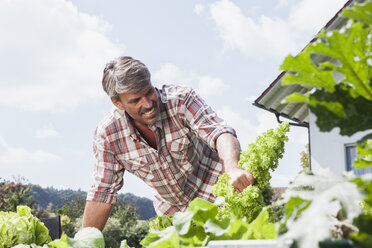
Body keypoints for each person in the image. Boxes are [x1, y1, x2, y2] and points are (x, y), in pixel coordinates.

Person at [82, 56, 254, 230]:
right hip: (172, 211)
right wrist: (84, 241)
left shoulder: (181, 99)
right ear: (117, 103)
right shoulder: (108, 135)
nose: (148, 104)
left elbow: (220, 133)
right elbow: (103, 191)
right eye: (135, 100)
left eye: (149, 92)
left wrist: (232, 168)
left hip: (216, 189)